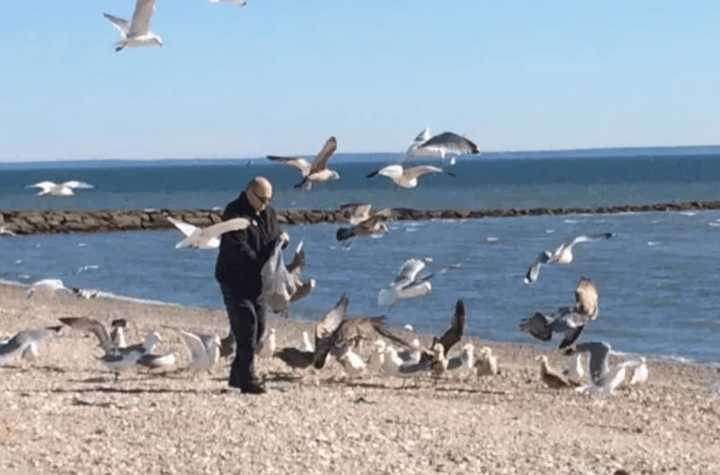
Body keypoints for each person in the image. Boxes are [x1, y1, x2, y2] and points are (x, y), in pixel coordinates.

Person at [215, 176, 287, 394]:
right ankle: (249, 379)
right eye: (262, 199)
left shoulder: (269, 213)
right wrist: (262, 259)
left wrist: (282, 243)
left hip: (259, 282)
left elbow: (272, 239)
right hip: (234, 279)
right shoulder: (233, 212)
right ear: (249, 192)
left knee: (259, 330)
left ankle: (238, 376)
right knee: (247, 325)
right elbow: (238, 248)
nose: (265, 204)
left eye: (269, 199)